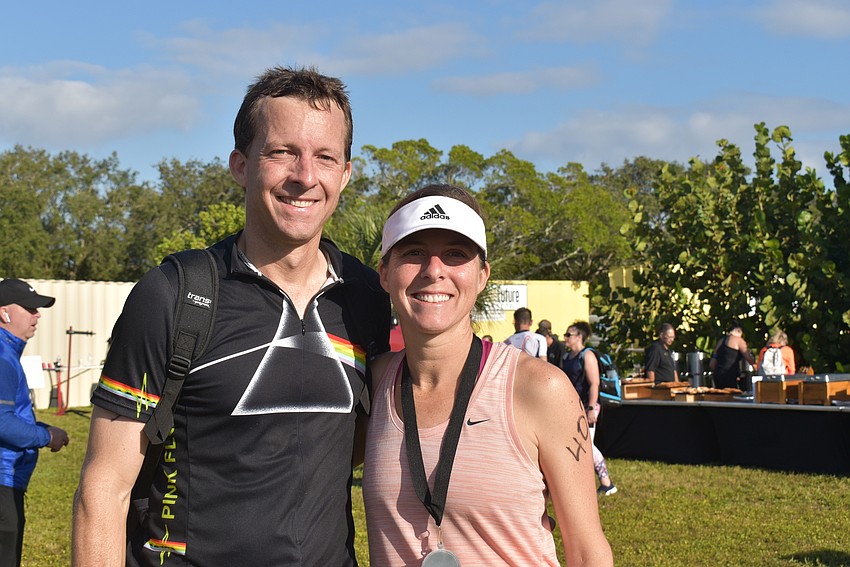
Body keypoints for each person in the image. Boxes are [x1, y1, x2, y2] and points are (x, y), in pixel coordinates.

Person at [72, 66, 391, 566]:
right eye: (282, 151)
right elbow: (104, 488)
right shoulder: (173, 294)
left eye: (325, 157)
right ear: (241, 165)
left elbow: (352, 446)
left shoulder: (367, 297)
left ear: (345, 173)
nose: (305, 176)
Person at [363, 184, 613, 566]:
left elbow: (586, 550)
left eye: (455, 254)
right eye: (413, 252)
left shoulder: (539, 388)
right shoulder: (375, 383)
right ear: (384, 273)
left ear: (482, 275)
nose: (434, 270)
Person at [0, 279, 70, 567]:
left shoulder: (8, 354)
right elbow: (2, 424)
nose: (37, 315)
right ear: (3, 313)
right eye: (30, 308)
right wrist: (47, 435)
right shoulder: (3, 358)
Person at [561, 321, 617, 496]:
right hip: (572, 406)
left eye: (569, 335)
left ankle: (606, 482)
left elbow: (594, 384)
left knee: (587, 445)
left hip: (588, 405)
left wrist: (591, 408)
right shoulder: (567, 357)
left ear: (579, 337)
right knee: (574, 444)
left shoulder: (587, 355)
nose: (565, 338)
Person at [709, 321, 756, 389]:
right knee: (732, 396)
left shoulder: (721, 340)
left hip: (718, 373)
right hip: (729, 374)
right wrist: (755, 366)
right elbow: (747, 356)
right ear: (739, 332)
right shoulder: (738, 340)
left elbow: (713, 360)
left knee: (720, 396)